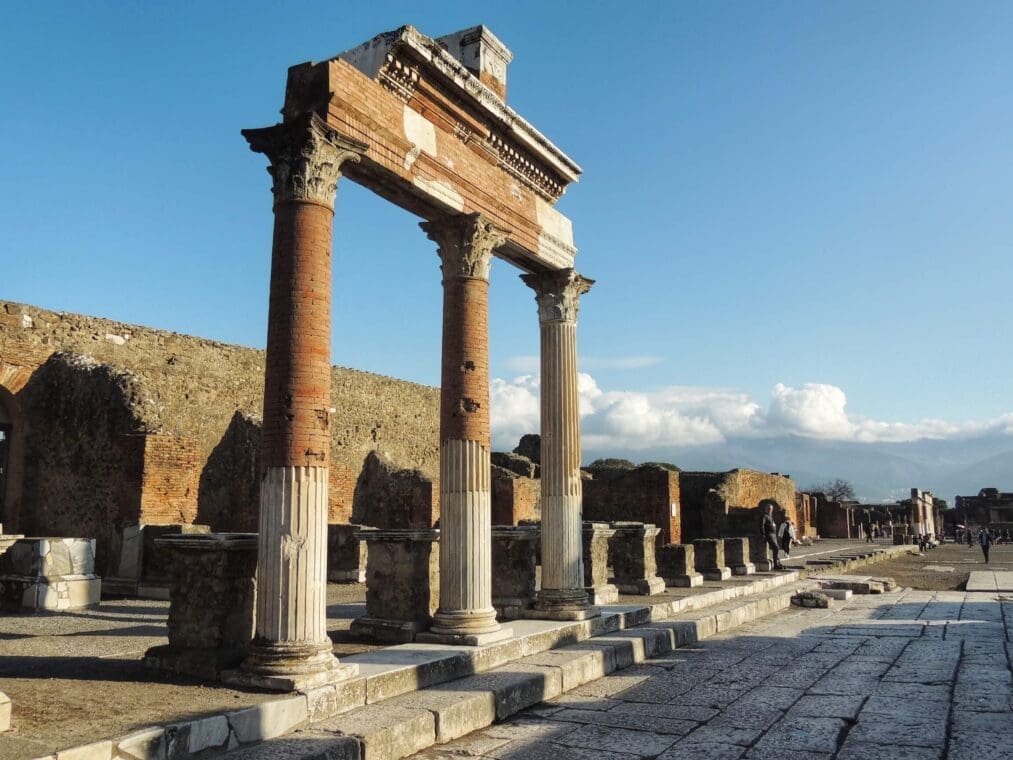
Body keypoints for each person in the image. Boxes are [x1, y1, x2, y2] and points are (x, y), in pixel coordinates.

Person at [762, 504, 784, 570]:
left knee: (777, 549)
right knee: (776, 548)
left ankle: (778, 563)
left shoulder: (770, 517)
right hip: (769, 534)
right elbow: (761, 525)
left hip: (774, 535)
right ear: (766, 509)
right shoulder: (765, 516)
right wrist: (763, 534)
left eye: (771, 509)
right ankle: (776, 565)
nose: (770, 510)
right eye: (768, 509)